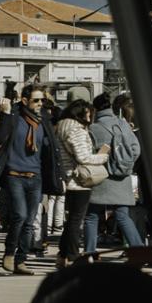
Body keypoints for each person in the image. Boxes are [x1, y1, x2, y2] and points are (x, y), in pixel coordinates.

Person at [0, 87, 59, 275]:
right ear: (25, 101)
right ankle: (9, 253)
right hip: (15, 174)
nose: (40, 104)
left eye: (42, 100)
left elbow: (50, 148)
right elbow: (0, 138)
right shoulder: (14, 116)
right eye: (36, 100)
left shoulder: (43, 120)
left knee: (30, 221)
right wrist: (4, 114)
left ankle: (21, 260)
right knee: (19, 215)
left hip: (35, 176)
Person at [53, 98, 111, 266]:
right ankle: (72, 254)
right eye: (88, 113)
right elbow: (83, 156)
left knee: (72, 219)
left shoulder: (61, 125)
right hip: (78, 179)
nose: (90, 116)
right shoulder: (76, 129)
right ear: (81, 113)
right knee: (76, 220)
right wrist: (103, 157)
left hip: (68, 176)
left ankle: (63, 255)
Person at [88, 94, 143, 249]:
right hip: (122, 177)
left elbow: (89, 155)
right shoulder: (123, 125)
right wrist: (126, 164)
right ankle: (138, 249)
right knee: (122, 216)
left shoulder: (93, 128)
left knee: (92, 216)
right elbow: (136, 149)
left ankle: (89, 252)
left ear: (95, 109)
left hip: (102, 178)